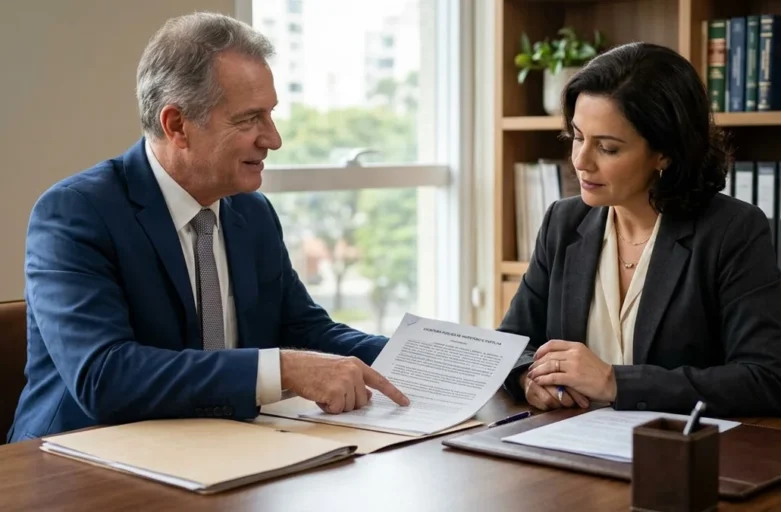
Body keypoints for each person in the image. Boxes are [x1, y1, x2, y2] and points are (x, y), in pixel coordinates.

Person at [7, 12, 409, 444]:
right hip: (76, 466)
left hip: (220, 453)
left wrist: (424, 358)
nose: (273, 139)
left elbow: (305, 330)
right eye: (249, 119)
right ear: (177, 125)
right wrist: (285, 368)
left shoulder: (251, 213)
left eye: (270, 115)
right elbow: (104, 376)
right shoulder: (75, 213)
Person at [499, 42, 781, 417]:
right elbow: (511, 345)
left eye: (608, 148)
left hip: (676, 454)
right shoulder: (563, 222)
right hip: (569, 446)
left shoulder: (733, 231)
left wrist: (615, 382)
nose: (581, 161)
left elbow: (763, 379)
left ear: (664, 153)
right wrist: (528, 379)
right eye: (578, 137)